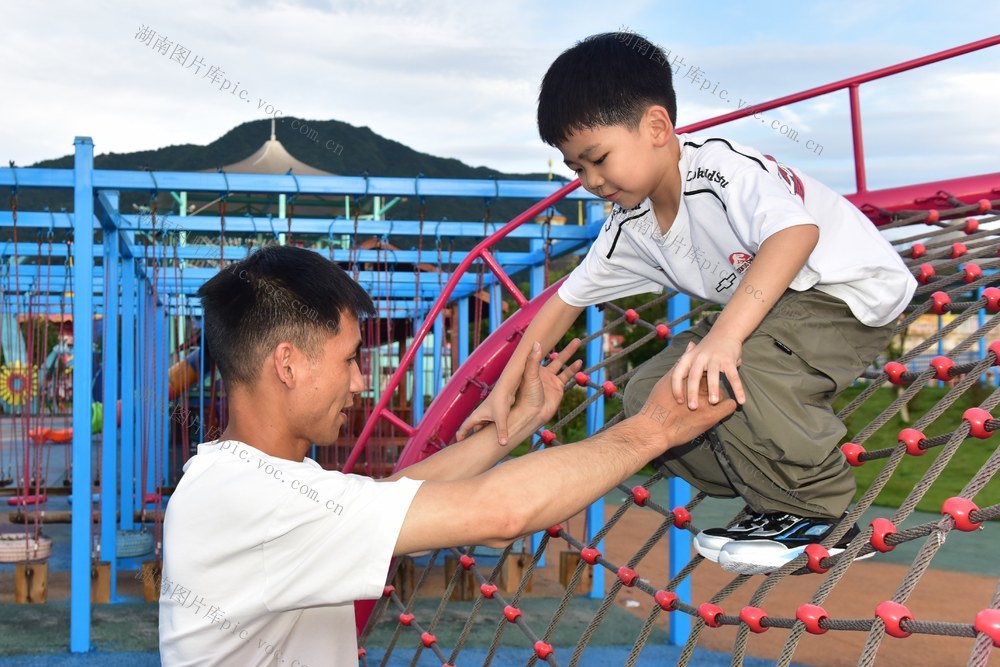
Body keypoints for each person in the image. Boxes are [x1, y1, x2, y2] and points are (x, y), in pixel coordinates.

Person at [457, 32, 917, 575]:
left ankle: (822, 512)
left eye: (598, 159)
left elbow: (795, 234)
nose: (591, 181)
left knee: (730, 368)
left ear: (657, 127)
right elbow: (563, 303)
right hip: (772, 311)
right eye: (576, 169)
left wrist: (725, 337)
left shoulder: (721, 172)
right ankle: (771, 497)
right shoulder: (630, 225)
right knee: (649, 392)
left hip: (845, 292)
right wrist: (503, 392)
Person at [158, 245, 734, 666]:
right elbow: (501, 512)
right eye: (349, 359)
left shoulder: (250, 479)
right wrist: (653, 429)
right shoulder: (254, 499)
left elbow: (395, 494)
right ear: (287, 364)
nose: (359, 382)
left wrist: (513, 427)